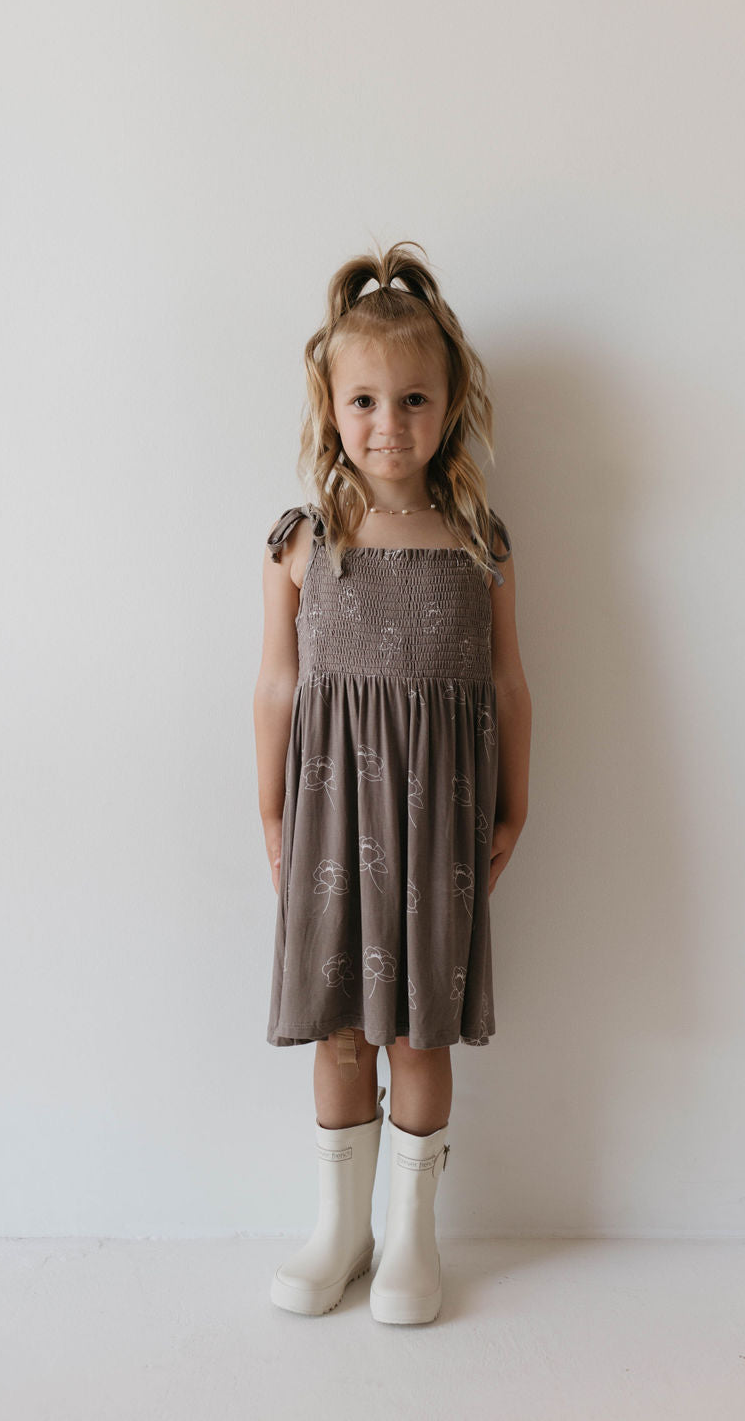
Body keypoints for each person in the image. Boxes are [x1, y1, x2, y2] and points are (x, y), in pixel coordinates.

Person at [253, 239, 531, 1324]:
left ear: (451, 402)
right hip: (329, 819)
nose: (389, 423)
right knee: (339, 1029)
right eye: (364, 399)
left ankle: (414, 1239)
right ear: (331, 405)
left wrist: (516, 801)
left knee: (418, 1031)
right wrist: (272, 808)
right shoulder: (301, 542)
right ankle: (341, 1229)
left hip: (436, 826)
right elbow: (277, 687)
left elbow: (507, 684)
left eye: (413, 398)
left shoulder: (481, 541)